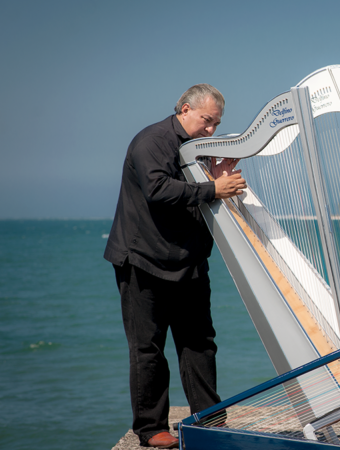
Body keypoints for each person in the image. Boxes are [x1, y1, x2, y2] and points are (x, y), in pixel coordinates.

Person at [104, 84, 246, 448]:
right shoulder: (151, 141)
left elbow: (194, 199)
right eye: (207, 121)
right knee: (148, 348)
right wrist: (214, 190)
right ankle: (152, 430)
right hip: (143, 260)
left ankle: (209, 421)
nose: (212, 131)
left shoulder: (198, 150)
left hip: (189, 261)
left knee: (200, 343)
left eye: (217, 124)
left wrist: (216, 179)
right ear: (184, 109)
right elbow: (159, 190)